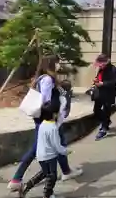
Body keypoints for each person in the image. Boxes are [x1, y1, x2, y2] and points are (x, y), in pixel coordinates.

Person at [8, 56, 81, 191]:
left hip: (45, 119)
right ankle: (16, 179)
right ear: (51, 64)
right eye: (57, 62)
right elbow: (46, 102)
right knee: (38, 149)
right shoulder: (47, 79)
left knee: (59, 143)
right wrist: (53, 113)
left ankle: (66, 171)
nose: (59, 65)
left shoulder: (44, 78)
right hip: (47, 120)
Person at [18, 101, 67, 198]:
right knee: (52, 176)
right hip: (50, 156)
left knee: (45, 173)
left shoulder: (42, 124)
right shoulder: (53, 128)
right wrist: (64, 151)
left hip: (41, 155)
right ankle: (47, 194)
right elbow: (56, 145)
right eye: (58, 112)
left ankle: (26, 186)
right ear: (54, 115)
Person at [92, 54, 116, 140]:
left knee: (106, 110)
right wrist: (96, 80)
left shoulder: (112, 69)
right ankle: (106, 122)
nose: (99, 66)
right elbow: (99, 76)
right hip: (99, 92)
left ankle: (103, 129)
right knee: (96, 110)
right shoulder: (101, 69)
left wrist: (103, 83)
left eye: (101, 63)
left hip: (108, 93)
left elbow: (114, 81)